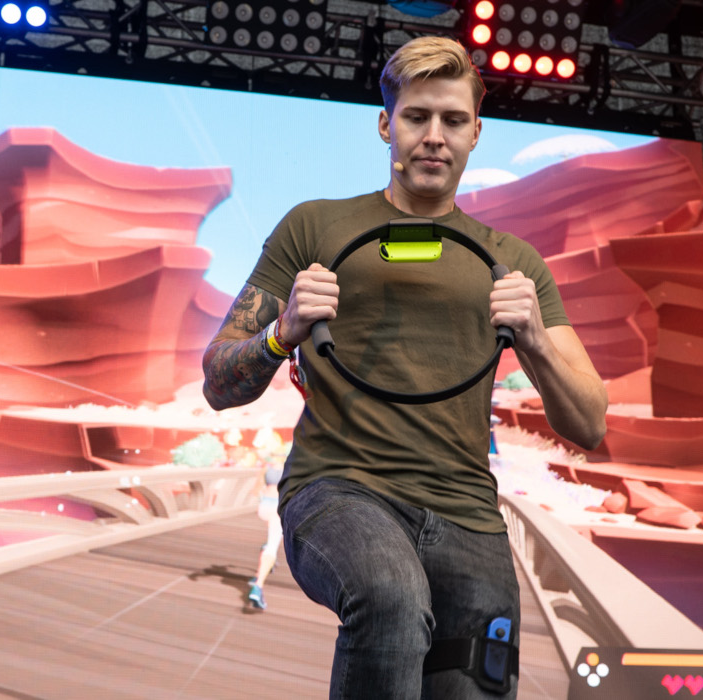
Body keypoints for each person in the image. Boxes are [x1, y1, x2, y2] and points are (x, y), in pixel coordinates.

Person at [200, 36, 607, 699]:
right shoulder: (313, 228)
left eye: (453, 120)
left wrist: (534, 337)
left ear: (476, 133)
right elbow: (218, 382)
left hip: (469, 517)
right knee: (390, 597)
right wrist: (283, 331)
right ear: (386, 124)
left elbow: (588, 423)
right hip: (339, 490)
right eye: (417, 116)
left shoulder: (515, 263)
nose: (434, 136)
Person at [247, 462, 282, 611]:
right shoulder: (291, 466)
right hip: (278, 507)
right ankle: (258, 587)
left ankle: (259, 573)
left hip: (265, 506)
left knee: (272, 538)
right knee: (272, 546)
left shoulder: (267, 467)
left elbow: (256, 490)